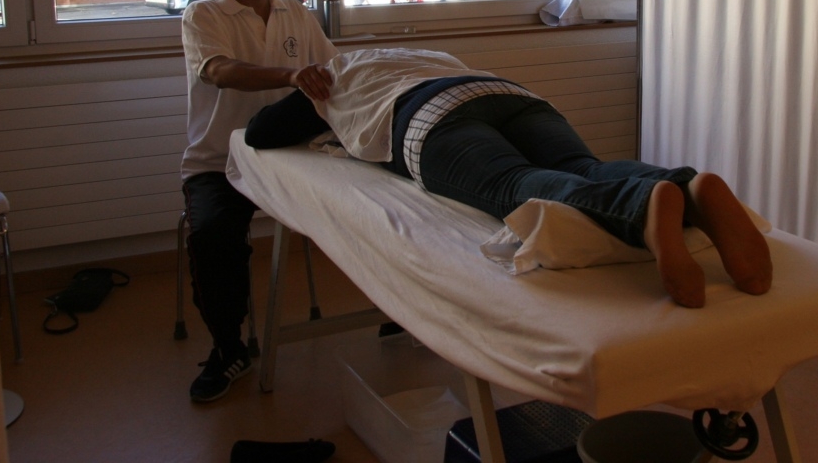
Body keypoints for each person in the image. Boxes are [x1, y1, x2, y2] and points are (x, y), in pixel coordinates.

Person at [244, 47, 772, 308]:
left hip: (431, 117)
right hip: (509, 94)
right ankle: (686, 188)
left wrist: (305, 87)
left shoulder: (336, 70)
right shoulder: (428, 54)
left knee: (514, 182)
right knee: (582, 167)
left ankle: (642, 206)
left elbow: (261, 134)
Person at [180, 0, 337, 402]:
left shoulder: (296, 12)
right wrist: (291, 76)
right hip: (218, 162)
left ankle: (398, 311)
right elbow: (220, 71)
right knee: (212, 237)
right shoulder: (204, 14)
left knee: (377, 203)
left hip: (294, 156)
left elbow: (335, 70)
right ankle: (228, 349)